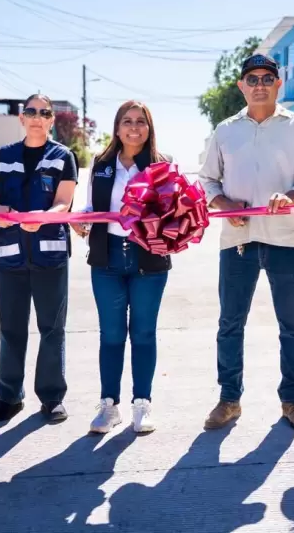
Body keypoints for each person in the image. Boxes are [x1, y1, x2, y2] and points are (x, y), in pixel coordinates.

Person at [198, 53, 294, 432]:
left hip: (285, 239)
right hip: (238, 239)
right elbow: (207, 181)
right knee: (230, 324)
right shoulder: (225, 130)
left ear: (278, 84)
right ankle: (229, 399)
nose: (259, 85)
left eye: (267, 78)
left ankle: (293, 400)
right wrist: (222, 203)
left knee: (293, 324)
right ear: (241, 85)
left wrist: (291, 197)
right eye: (252, 78)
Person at [71, 100, 172, 434]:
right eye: (127, 121)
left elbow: (174, 211)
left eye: (140, 121)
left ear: (149, 127)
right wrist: (82, 218)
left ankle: (142, 404)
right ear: (117, 128)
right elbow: (92, 205)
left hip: (149, 260)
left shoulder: (163, 164)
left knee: (143, 333)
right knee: (111, 334)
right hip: (107, 258)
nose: (133, 127)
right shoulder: (101, 164)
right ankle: (108, 406)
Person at [0, 94, 78, 423]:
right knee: (11, 328)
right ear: (21, 118)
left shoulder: (63, 156)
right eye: (32, 111)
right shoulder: (4, 155)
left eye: (45, 112)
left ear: (52, 119)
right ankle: (9, 396)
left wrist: (45, 217)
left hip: (49, 254)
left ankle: (52, 397)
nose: (38, 117)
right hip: (10, 255)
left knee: (52, 328)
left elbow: (63, 202)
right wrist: (5, 212)